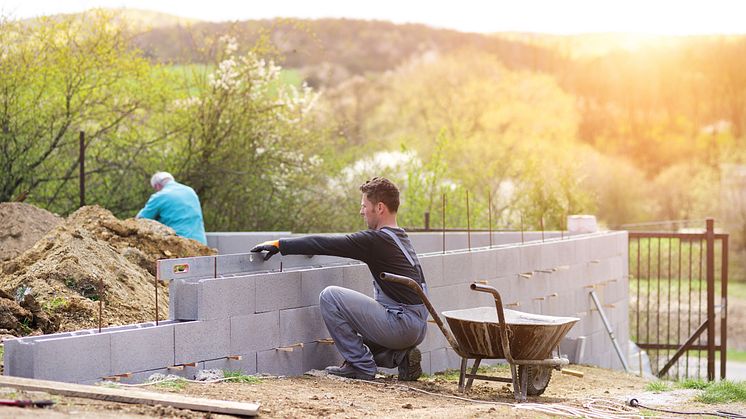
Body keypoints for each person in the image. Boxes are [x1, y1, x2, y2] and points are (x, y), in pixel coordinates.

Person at [251, 177, 428, 381]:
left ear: (379, 208)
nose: (361, 211)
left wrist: (280, 245)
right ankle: (402, 356)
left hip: (401, 324)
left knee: (331, 297)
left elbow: (329, 243)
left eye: (364, 206)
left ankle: (360, 366)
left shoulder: (376, 241)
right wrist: (308, 247)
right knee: (359, 336)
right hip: (416, 325)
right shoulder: (400, 237)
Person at [136, 171, 207, 245]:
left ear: (157, 186)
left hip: (180, 245)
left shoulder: (160, 196)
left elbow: (140, 219)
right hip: (201, 244)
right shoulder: (190, 191)